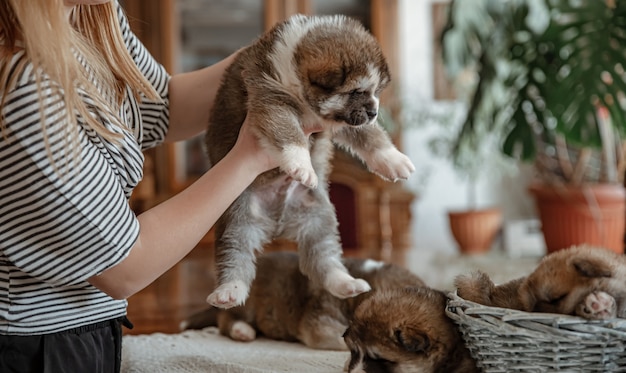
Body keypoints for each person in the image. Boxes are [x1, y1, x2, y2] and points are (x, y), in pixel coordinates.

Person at [0, 1, 311, 372]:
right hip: (35, 345)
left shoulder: (88, 15)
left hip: (87, 325)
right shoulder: (19, 85)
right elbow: (123, 266)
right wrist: (249, 158)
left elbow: (162, 107)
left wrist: (273, 55)